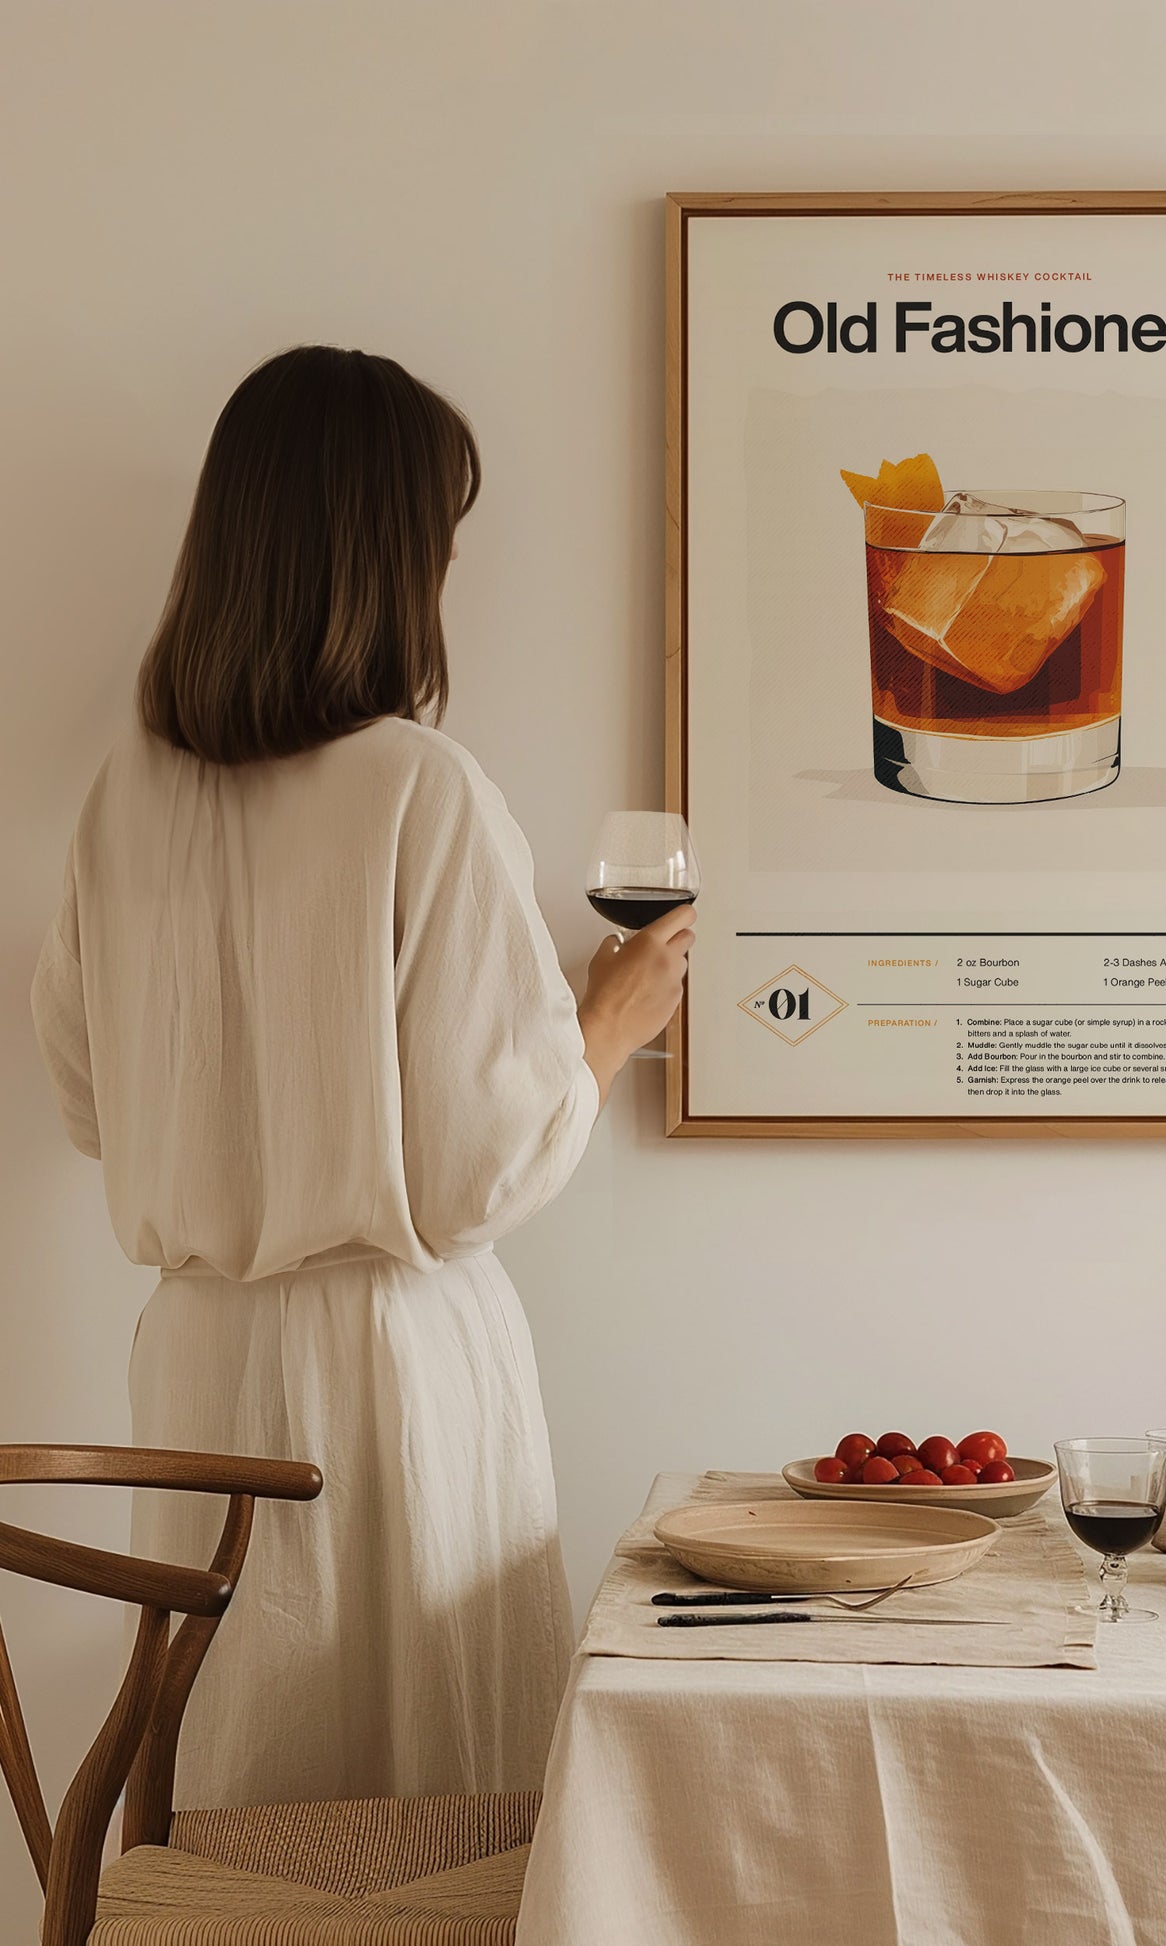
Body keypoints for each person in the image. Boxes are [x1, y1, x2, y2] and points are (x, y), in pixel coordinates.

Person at [29, 345, 689, 1806]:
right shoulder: (417, 785)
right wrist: (607, 1019)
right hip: (391, 1370)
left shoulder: (123, 797)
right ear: (389, 557)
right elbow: (474, 1174)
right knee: (423, 1807)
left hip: (198, 1360)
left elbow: (87, 1101)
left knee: (240, 1786)